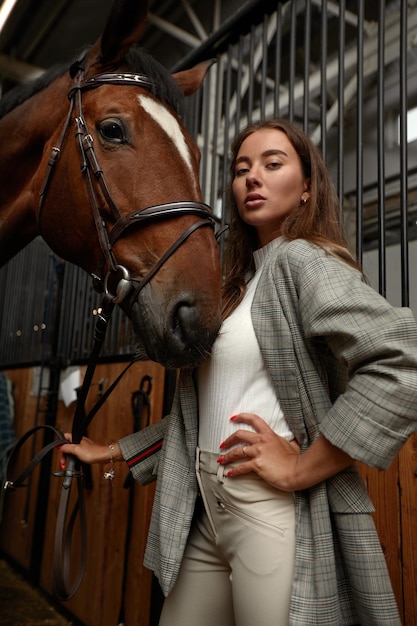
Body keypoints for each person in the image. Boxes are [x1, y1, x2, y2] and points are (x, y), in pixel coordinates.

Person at [61, 118, 417, 626]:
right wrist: (113, 450)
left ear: (307, 188)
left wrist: (301, 466)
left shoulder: (304, 263)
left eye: (273, 164)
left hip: (268, 509)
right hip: (206, 509)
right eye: (242, 168)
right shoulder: (235, 284)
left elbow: (403, 360)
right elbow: (209, 414)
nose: (253, 177)